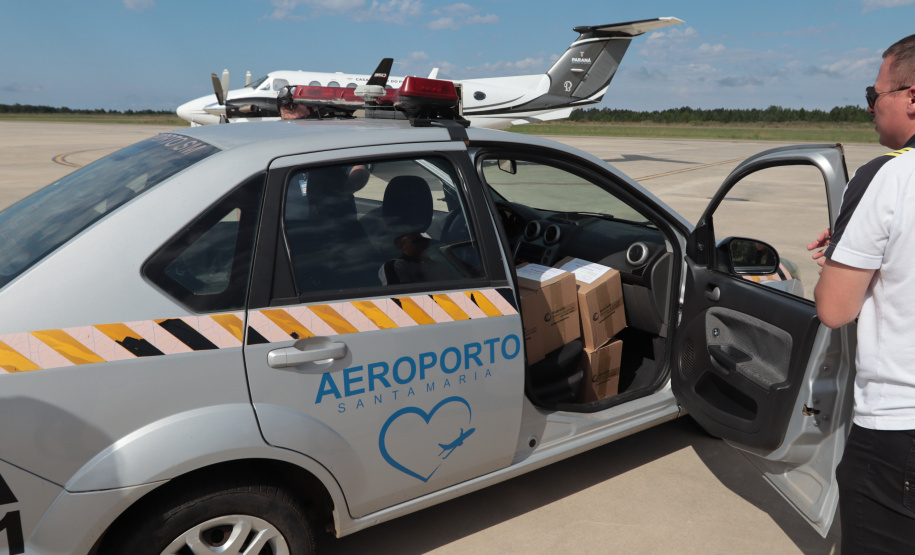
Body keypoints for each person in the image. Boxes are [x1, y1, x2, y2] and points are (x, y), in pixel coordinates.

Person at [808, 33, 915, 552]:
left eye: (876, 96)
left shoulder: (888, 177)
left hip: (899, 430)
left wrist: (841, 260)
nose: (869, 107)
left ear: (912, 97)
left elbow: (834, 308)